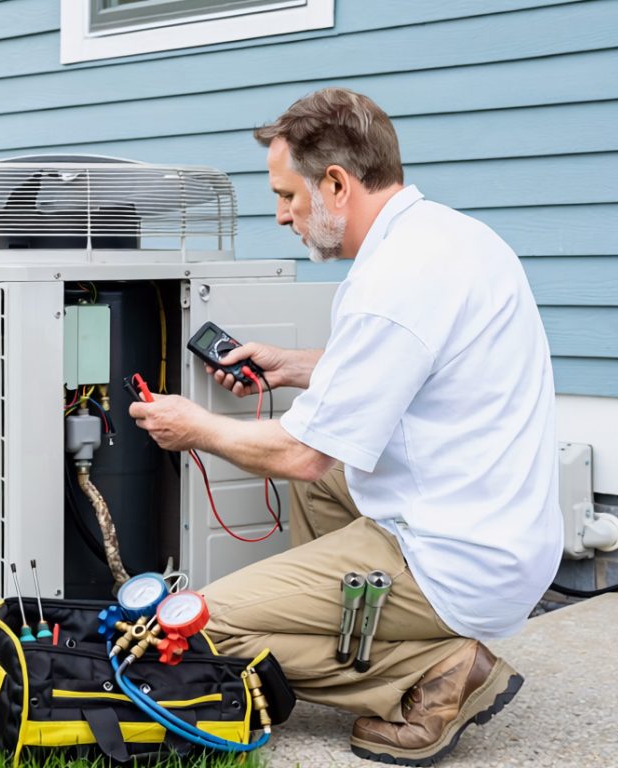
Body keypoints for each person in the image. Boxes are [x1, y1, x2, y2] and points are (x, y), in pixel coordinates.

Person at [129, 87, 564, 766]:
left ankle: (431, 670)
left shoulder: (394, 282)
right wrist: (296, 366)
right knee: (324, 485)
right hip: (497, 527)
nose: (282, 215)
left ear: (336, 183)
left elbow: (301, 453)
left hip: (452, 558)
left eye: (288, 196)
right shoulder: (448, 238)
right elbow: (412, 365)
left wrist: (193, 427)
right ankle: (369, 629)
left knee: (197, 630)